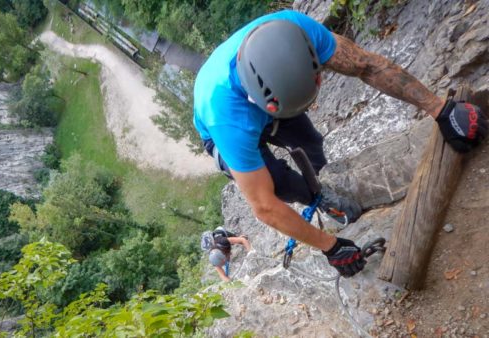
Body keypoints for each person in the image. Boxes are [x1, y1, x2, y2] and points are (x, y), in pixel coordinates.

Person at [193, 11, 487, 278]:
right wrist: (330, 246)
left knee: (310, 143)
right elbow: (264, 206)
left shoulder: (297, 30)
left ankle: (324, 188)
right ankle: (314, 199)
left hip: (273, 95)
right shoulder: (227, 120)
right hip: (227, 120)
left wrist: (441, 109)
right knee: (280, 184)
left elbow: (367, 66)